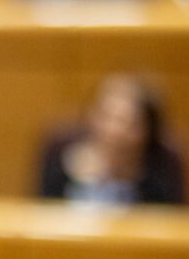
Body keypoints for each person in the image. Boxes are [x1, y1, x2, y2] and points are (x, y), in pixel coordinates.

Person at [39, 74, 185, 205]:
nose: (113, 131)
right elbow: (42, 212)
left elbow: (171, 219)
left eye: (128, 123)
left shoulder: (163, 169)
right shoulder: (60, 154)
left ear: (149, 129)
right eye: (106, 117)